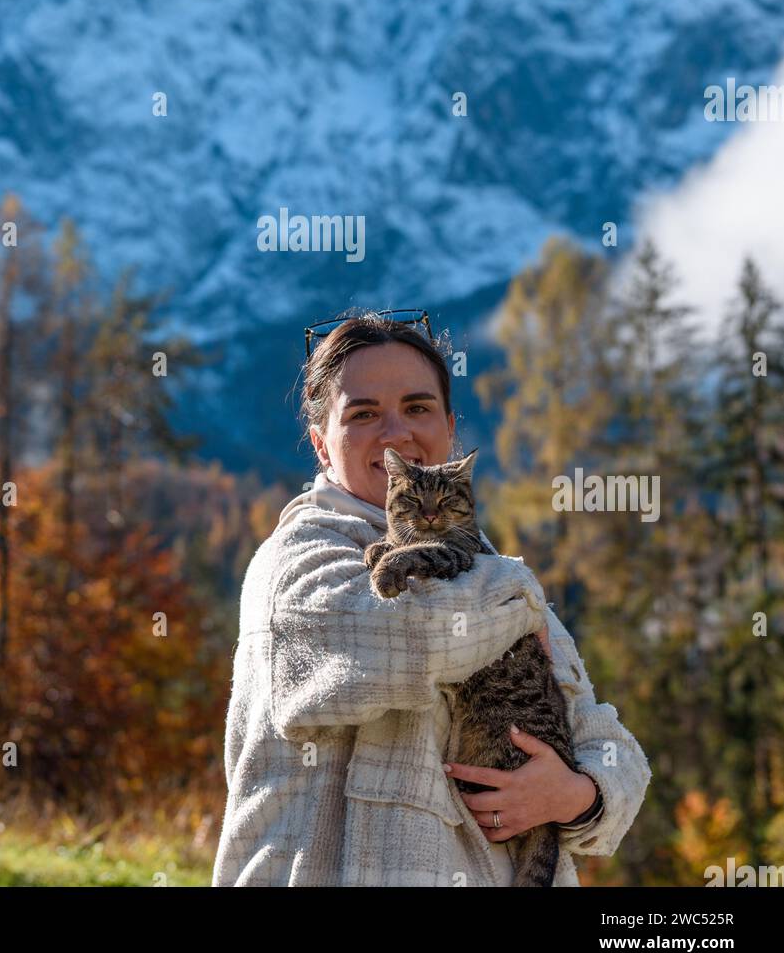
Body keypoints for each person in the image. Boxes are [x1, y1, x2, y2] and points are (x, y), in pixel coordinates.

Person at [212, 310, 652, 886]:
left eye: (417, 408)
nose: (396, 433)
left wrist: (575, 794)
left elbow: (612, 745)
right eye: (364, 414)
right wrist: (521, 591)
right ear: (322, 445)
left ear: (448, 428)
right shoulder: (298, 558)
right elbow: (409, 639)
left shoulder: (490, 574)